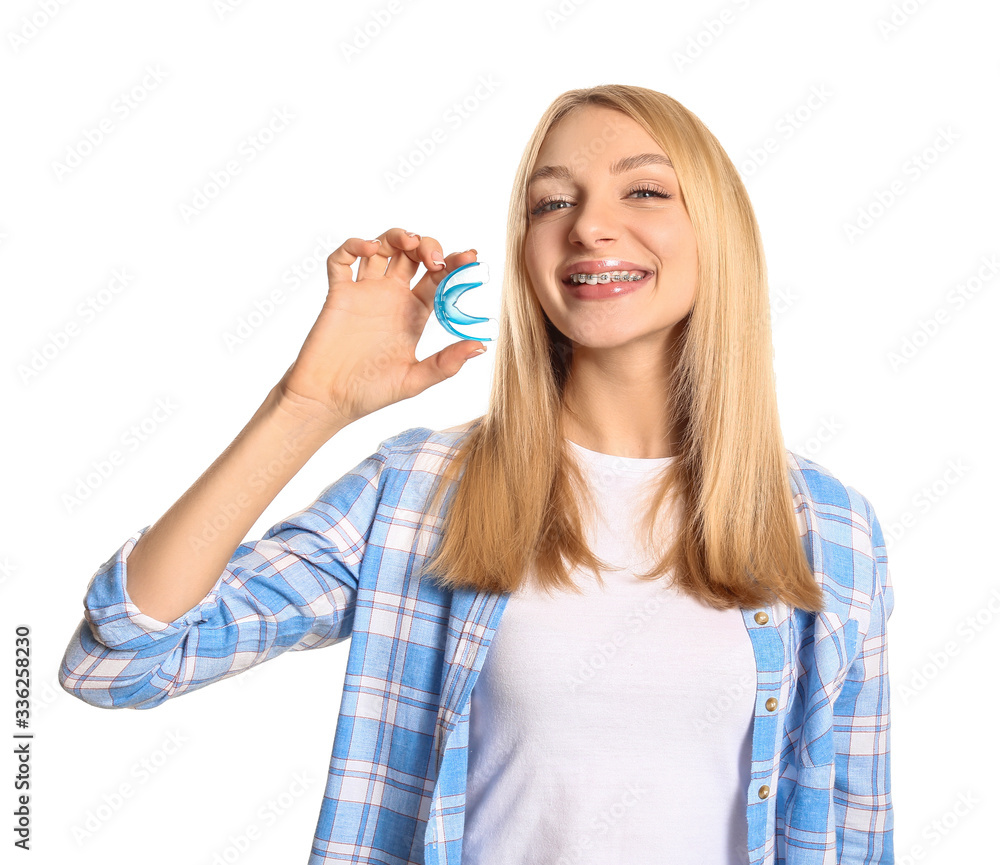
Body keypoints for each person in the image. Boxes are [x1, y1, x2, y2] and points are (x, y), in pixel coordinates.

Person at [59, 84, 894, 865]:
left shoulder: (828, 524)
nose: (589, 226)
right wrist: (305, 406)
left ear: (720, 230)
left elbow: (856, 827)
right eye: (552, 202)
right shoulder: (422, 492)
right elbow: (119, 660)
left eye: (642, 191)